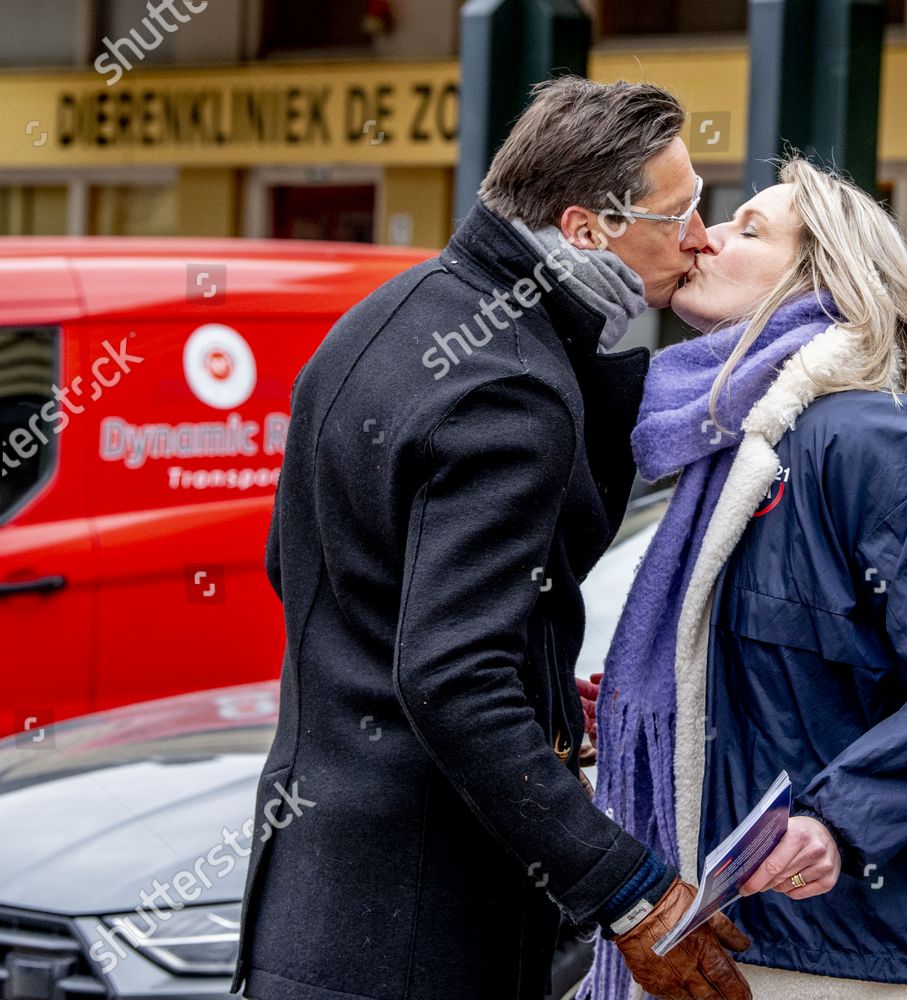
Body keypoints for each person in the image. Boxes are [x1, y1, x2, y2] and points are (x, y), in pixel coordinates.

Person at [232, 77, 753, 1000]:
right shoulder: (512, 388)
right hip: (423, 931)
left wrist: (546, 697)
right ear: (586, 229)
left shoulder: (384, 319)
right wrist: (630, 893)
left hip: (314, 908)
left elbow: (310, 575)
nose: (702, 240)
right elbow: (451, 677)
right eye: (680, 217)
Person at [585, 158, 907, 999]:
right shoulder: (742, 449)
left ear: (824, 279)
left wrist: (837, 818)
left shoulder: (872, 440)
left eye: (750, 229)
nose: (707, 236)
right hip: (764, 942)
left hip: (884, 960)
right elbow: (806, 685)